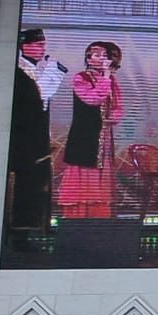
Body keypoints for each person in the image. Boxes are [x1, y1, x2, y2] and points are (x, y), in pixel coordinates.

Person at [7, 27, 66, 247]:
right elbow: (30, 104)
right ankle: (18, 236)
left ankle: (33, 231)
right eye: (38, 45)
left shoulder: (36, 71)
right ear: (24, 46)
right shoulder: (18, 73)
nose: (42, 49)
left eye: (43, 45)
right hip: (23, 141)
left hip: (38, 140)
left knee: (37, 187)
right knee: (25, 187)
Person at [57, 41, 124, 219]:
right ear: (88, 59)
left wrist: (114, 116)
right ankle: (78, 218)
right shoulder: (80, 78)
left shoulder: (111, 81)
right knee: (84, 169)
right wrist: (106, 77)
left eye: (105, 56)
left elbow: (117, 105)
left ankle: (99, 218)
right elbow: (93, 98)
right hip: (84, 134)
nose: (102, 59)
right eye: (97, 55)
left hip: (103, 135)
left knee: (101, 171)